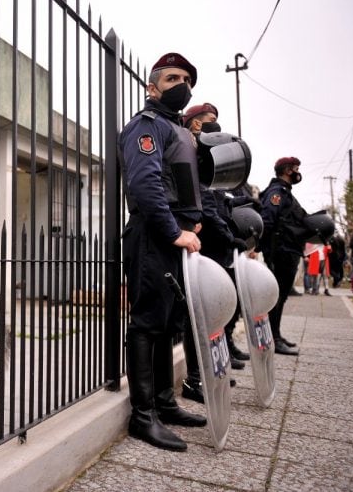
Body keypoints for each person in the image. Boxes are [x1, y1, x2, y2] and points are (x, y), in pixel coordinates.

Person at [119, 52, 206, 452]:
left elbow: (181, 183)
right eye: (172, 78)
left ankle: (165, 403)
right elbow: (145, 185)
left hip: (173, 235)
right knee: (147, 322)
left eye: (186, 79)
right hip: (154, 235)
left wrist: (192, 222)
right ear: (152, 87)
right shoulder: (146, 125)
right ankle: (142, 416)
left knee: (168, 323)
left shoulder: (179, 130)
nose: (181, 84)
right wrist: (175, 231)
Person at [179, 103, 249, 404]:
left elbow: (222, 206)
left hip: (214, 253)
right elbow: (207, 209)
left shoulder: (210, 164)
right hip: (201, 249)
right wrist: (231, 238)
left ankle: (210, 370)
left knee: (211, 317)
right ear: (194, 124)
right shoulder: (192, 157)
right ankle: (196, 377)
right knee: (198, 318)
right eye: (208, 121)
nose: (213, 126)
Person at [258, 157, 310, 356]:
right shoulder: (277, 193)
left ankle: (276, 335)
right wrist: (267, 250)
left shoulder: (286, 193)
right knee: (276, 298)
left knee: (281, 297)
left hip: (289, 251)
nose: (298, 172)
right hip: (280, 253)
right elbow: (267, 222)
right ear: (288, 170)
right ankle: (273, 338)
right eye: (296, 168)